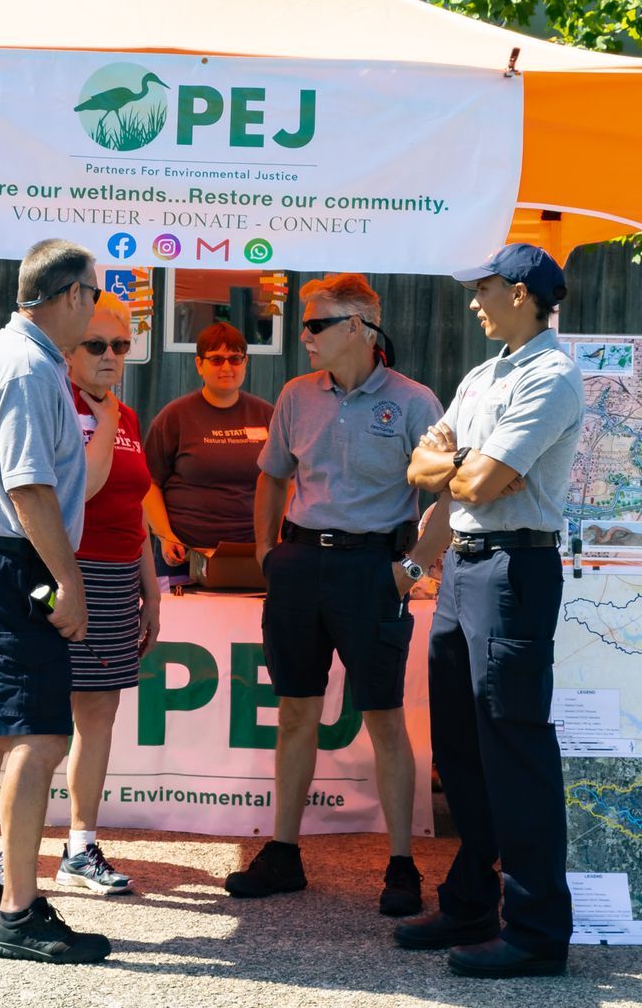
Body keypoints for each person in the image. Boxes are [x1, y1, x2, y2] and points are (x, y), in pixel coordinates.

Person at [226, 273, 447, 917]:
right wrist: (270, 553)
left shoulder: (414, 402)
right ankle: (284, 853)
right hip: (301, 566)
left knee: (383, 717)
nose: (304, 337)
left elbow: (450, 493)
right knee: (296, 710)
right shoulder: (296, 395)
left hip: (373, 571)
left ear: (358, 328)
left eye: (316, 324)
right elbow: (272, 477)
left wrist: (411, 567)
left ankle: (402, 863)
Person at [402, 244, 585, 979]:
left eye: (481, 289)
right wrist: (461, 473)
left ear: (518, 292)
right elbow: (432, 472)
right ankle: (473, 899)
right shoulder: (484, 374)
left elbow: (481, 479)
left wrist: (462, 468)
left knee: (514, 751)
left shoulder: (552, 375)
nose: (474, 301)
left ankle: (537, 930)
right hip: (464, 569)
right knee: (459, 748)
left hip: (515, 569)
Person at [0, 239, 111, 965]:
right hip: (13, 562)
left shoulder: (6, 354)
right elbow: (29, 486)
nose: (96, 312)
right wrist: (68, 580)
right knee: (39, 738)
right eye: (94, 297)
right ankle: (18, 908)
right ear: (71, 294)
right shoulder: (33, 366)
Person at [58, 291, 160, 894]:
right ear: (68, 350)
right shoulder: (63, 404)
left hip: (120, 577)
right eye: (96, 345)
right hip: (69, 575)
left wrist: (152, 589)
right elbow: (88, 488)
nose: (110, 356)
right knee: (40, 724)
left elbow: (134, 508)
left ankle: (80, 845)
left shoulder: (126, 412)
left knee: (98, 718)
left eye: (120, 346)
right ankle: (9, 849)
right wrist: (108, 420)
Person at [142, 321, 273, 589]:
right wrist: (165, 535)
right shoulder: (174, 417)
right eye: (216, 360)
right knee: (183, 630)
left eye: (235, 359)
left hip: (250, 555)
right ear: (199, 365)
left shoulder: (267, 415)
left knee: (244, 628)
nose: (227, 367)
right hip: (182, 556)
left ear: (245, 362)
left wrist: (276, 539)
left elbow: (286, 481)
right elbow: (148, 482)